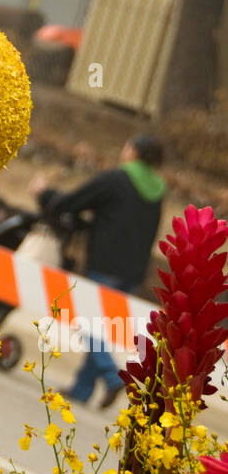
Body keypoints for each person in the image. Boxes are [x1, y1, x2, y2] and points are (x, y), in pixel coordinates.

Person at [30, 135, 166, 407]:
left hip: (105, 263)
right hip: (134, 270)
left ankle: (112, 376)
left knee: (87, 320)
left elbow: (72, 202)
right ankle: (82, 389)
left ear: (134, 151)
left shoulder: (116, 179)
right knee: (102, 327)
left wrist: (45, 193)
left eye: (127, 145)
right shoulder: (158, 190)